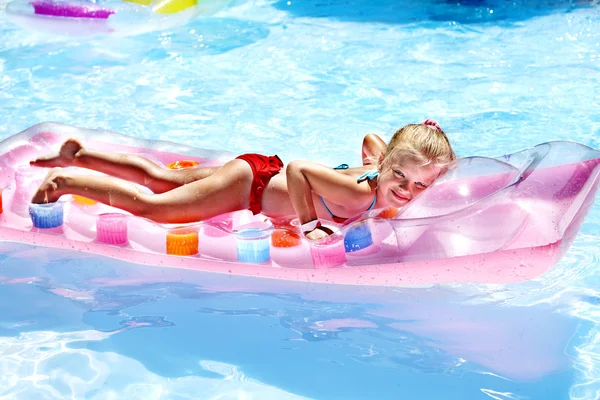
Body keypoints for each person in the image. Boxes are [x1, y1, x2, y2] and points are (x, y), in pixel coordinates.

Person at [30, 120, 456, 240]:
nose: (406, 189)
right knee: (156, 208)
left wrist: (389, 162)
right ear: (387, 165)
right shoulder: (355, 189)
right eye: (399, 175)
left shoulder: (387, 166)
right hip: (249, 187)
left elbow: (371, 139)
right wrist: (309, 222)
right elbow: (300, 170)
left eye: (421, 184)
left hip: (256, 169)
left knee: (162, 179)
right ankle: (66, 179)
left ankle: (80, 153)